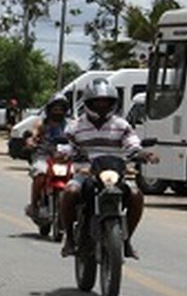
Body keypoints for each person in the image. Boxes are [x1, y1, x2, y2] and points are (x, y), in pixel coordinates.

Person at [58, 79, 156, 259]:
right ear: (89, 103)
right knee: (70, 192)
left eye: (105, 102)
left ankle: (126, 241)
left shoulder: (121, 125)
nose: (101, 105)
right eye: (97, 102)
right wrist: (64, 153)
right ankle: (70, 239)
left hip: (115, 172)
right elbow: (70, 146)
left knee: (136, 195)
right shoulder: (76, 126)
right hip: (85, 172)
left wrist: (142, 153)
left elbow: (131, 143)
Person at [26, 94, 70, 219]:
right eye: (55, 109)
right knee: (40, 174)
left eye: (61, 109)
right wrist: (31, 141)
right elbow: (33, 135)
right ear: (49, 110)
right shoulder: (41, 124)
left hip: (64, 158)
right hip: (43, 157)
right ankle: (34, 205)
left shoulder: (70, 125)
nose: (58, 112)